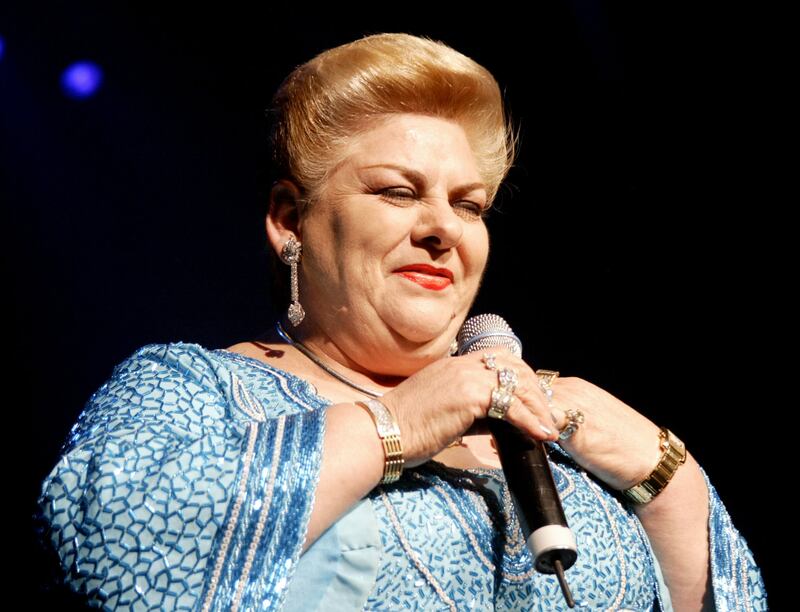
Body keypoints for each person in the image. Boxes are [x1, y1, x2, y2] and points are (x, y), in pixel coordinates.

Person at [35, 33, 766, 610]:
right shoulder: (197, 388)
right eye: (396, 192)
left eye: (469, 204)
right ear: (290, 220)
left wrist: (664, 473)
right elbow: (113, 553)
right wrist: (395, 425)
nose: (442, 229)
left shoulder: (550, 427)